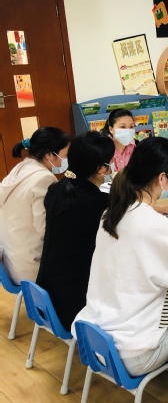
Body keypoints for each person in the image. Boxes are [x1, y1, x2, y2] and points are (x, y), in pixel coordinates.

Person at [73, 137, 168, 376]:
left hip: (97, 338)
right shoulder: (155, 225)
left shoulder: (113, 212)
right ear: (162, 178)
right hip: (134, 354)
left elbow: (153, 261)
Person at [35, 131, 114, 328]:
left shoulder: (58, 189)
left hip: (46, 294)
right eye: (109, 163)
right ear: (100, 169)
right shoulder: (98, 203)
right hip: (72, 306)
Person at [0, 127, 70, 283]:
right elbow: (45, 228)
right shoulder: (43, 178)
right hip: (30, 266)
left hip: (9, 260)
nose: (67, 160)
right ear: (49, 155)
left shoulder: (21, 167)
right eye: (65, 155)